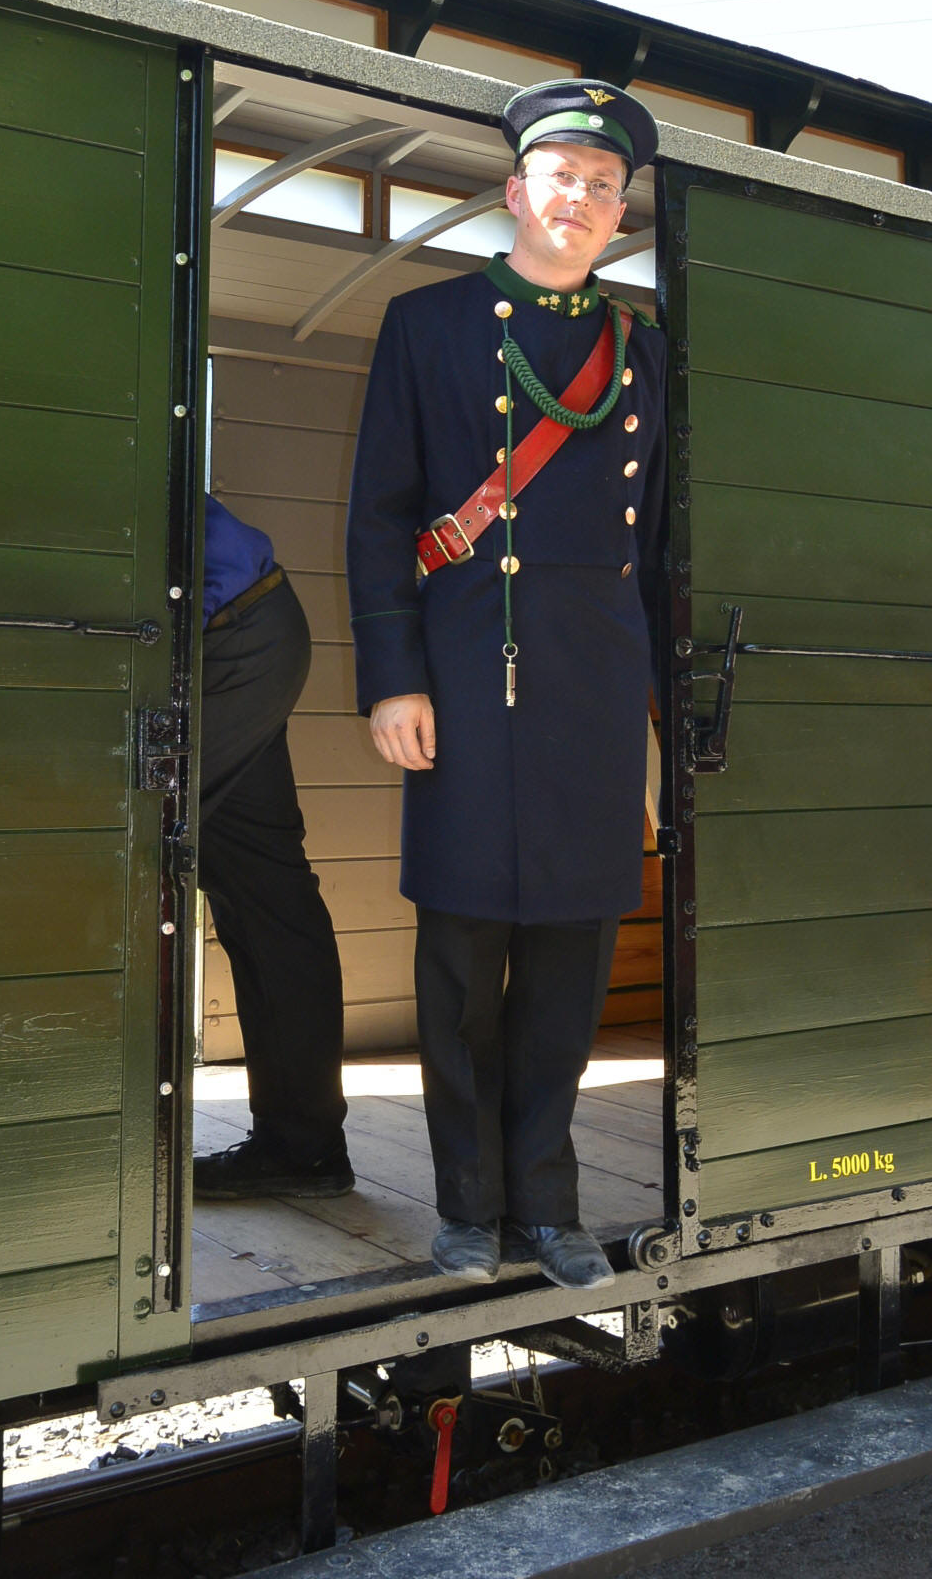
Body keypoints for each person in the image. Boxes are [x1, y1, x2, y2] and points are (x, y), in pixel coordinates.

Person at [345, 79, 664, 1288]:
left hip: (591, 693)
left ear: (617, 212)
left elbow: (664, 543)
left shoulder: (641, 348)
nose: (579, 201)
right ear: (514, 190)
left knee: (573, 967)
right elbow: (380, 518)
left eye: (602, 186)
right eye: (561, 178)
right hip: (467, 685)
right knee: (462, 965)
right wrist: (392, 678)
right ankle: (468, 1206)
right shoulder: (426, 326)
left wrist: (663, 700)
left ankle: (549, 1198)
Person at [192, 494, 351, 1199]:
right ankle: (302, 1146)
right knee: (264, 892)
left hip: (231, 637)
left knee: (110, 856)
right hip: (247, 626)